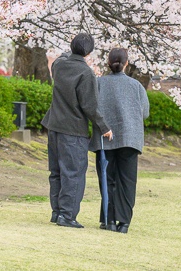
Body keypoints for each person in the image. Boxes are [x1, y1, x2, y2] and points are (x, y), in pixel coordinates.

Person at [41, 33, 113, 228]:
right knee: (73, 172)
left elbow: (63, 56)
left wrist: (72, 50)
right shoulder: (86, 73)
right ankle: (67, 215)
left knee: (56, 171)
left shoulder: (59, 65)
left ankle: (57, 212)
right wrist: (104, 127)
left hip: (54, 126)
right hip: (73, 130)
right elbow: (90, 106)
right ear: (89, 52)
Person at [90, 47, 149, 233]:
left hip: (104, 138)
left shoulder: (99, 83)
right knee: (127, 181)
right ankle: (124, 222)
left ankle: (108, 220)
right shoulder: (136, 86)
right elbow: (145, 113)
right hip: (130, 138)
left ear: (108, 63)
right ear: (126, 64)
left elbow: (92, 108)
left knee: (107, 180)